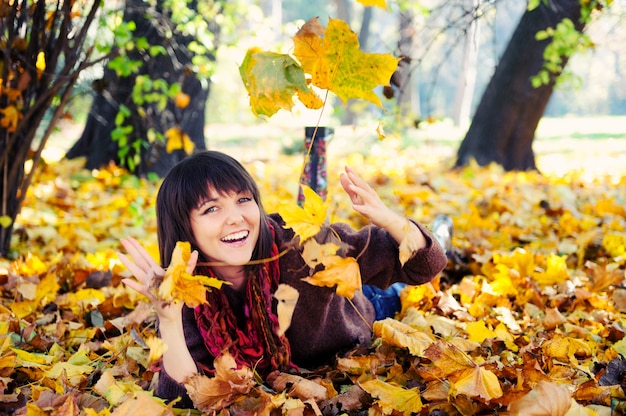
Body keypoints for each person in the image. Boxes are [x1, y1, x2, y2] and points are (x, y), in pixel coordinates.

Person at [118, 151, 447, 408]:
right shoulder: (185, 289)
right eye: (211, 209)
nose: (236, 217)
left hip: (362, 306)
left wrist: (387, 217)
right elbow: (184, 397)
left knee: (403, 288)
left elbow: (425, 265)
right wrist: (170, 321)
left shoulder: (302, 245)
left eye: (243, 200)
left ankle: (442, 230)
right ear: (183, 228)